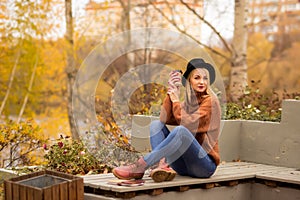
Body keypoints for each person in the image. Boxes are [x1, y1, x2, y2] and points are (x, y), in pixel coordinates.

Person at [112, 58, 221, 182]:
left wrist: (175, 101)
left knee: (181, 131)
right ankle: (161, 166)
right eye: (197, 78)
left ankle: (140, 166)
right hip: (183, 166)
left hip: (204, 166)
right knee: (156, 125)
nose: (202, 82)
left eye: (205, 78)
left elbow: (189, 124)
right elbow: (164, 118)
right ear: (189, 81)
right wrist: (171, 92)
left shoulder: (211, 101)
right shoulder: (189, 103)